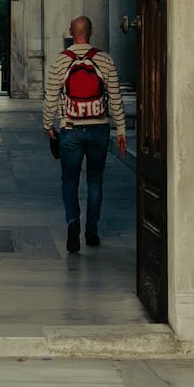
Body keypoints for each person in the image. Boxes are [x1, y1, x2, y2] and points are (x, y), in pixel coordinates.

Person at [43, 15, 127, 254]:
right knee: (95, 180)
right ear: (91, 32)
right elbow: (116, 98)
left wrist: (48, 125)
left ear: (71, 31)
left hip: (70, 129)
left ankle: (72, 222)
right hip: (99, 128)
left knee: (69, 181)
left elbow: (51, 97)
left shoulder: (61, 61)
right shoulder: (105, 60)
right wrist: (120, 128)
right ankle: (92, 230)